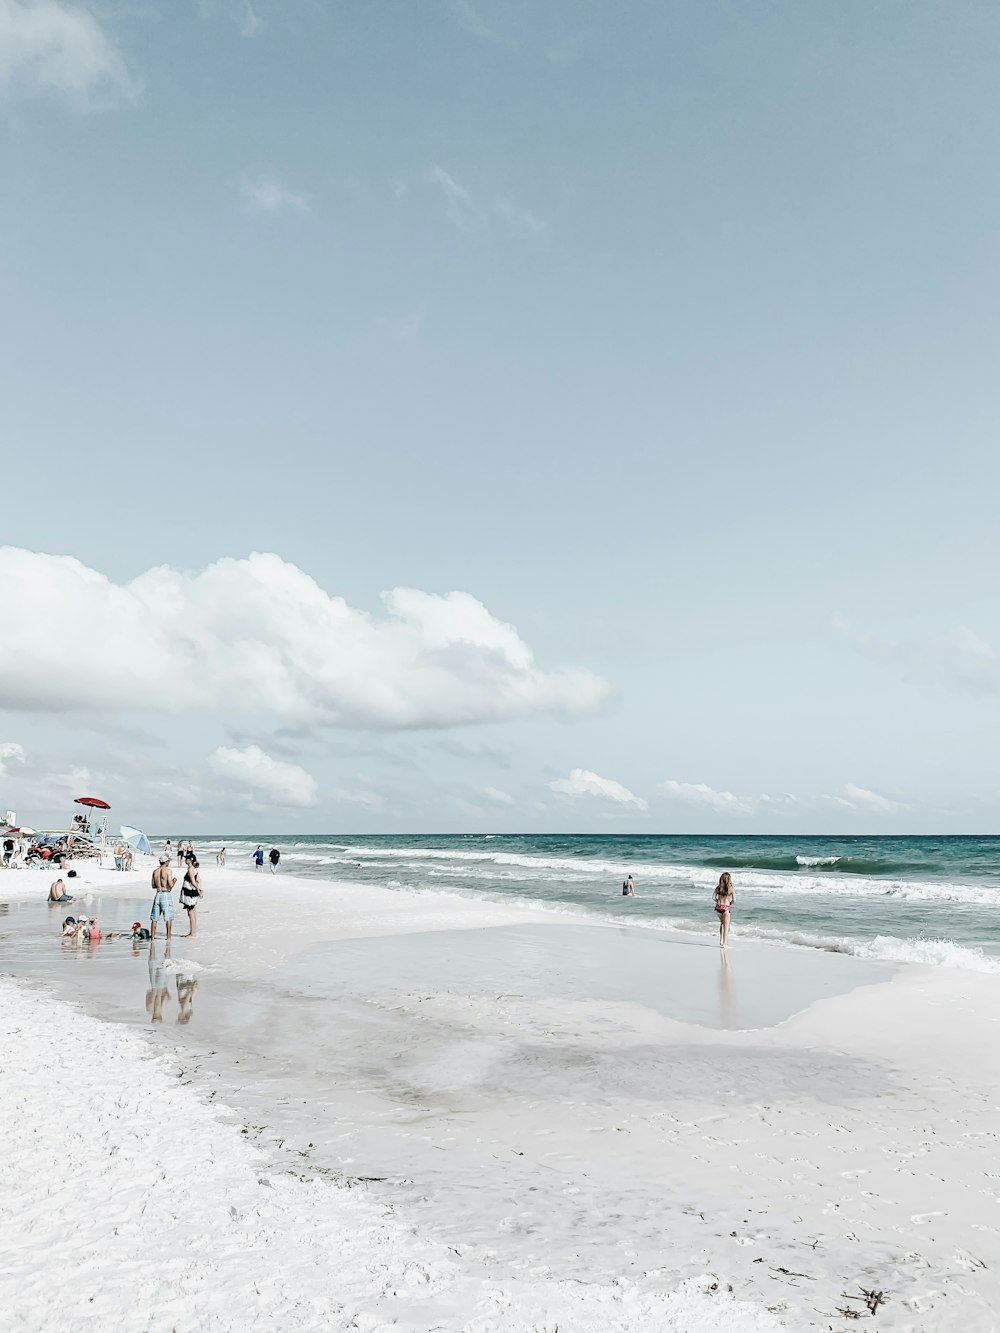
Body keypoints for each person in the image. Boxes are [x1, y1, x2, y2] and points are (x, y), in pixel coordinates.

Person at [150, 855, 177, 941]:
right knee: (168, 917)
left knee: (154, 918)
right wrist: (174, 881)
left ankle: (153, 938)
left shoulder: (155, 872)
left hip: (158, 894)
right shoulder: (168, 871)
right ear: (166, 862)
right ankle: (168, 938)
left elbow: (153, 885)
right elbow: (170, 885)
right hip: (166, 894)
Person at [180, 857, 202, 937]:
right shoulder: (193, 868)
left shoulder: (191, 869)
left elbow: (193, 881)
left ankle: (192, 933)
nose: (185, 860)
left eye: (186, 859)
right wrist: (200, 889)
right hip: (191, 892)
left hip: (190, 893)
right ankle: (193, 932)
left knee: (191, 913)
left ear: (190, 860)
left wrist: (199, 890)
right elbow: (199, 880)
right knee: (193, 913)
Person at [714, 872, 735, 948]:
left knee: (722, 924)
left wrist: (718, 901)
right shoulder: (731, 889)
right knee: (726, 926)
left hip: (718, 908)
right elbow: (734, 900)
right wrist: (729, 903)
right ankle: (725, 944)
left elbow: (713, 897)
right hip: (726, 908)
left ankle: (721, 940)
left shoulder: (718, 888)